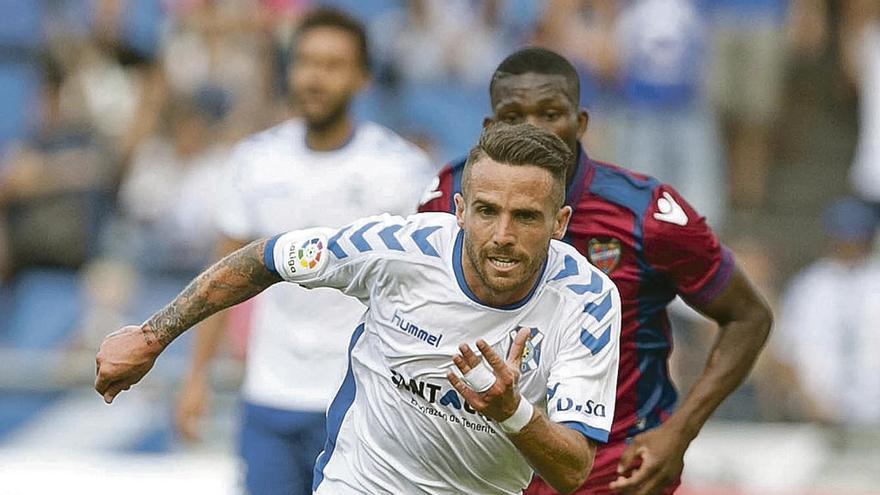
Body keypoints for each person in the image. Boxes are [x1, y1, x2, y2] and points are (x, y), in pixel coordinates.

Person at [95, 123, 623, 495]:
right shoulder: (396, 248)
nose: (503, 235)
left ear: (560, 223)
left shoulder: (589, 301)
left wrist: (512, 411)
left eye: (526, 217)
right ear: (459, 210)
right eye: (486, 212)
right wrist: (152, 336)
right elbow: (267, 256)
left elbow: (573, 469)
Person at [418, 48, 773, 495]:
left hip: (611, 470)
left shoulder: (644, 214)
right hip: (484, 471)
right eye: (513, 115)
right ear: (489, 127)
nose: (533, 129)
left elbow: (748, 316)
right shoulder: (448, 197)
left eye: (550, 113)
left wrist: (679, 432)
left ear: (580, 123)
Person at [172, 8, 432, 495]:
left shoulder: (401, 172)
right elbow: (223, 277)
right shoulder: (255, 161)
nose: (316, 76)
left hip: (362, 402)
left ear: (362, 78)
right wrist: (195, 377)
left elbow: (423, 285)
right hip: (271, 397)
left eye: (333, 65)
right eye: (306, 62)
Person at [773, 197, 880, 425]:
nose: (850, 245)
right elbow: (785, 350)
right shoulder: (809, 286)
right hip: (818, 414)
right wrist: (808, 402)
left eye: (857, 238)